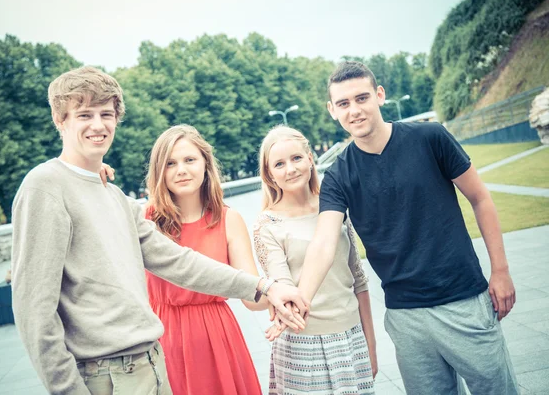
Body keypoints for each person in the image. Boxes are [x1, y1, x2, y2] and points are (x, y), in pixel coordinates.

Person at [10, 66, 307, 395]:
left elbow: (179, 262)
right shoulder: (45, 187)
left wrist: (266, 287)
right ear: (60, 120)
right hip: (104, 374)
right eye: (84, 114)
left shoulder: (116, 198)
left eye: (106, 113)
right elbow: (34, 310)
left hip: (150, 366)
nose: (98, 125)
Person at [297, 61, 518, 395]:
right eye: (343, 103)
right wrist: (300, 299)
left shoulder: (431, 138)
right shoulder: (338, 176)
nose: (354, 110)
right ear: (332, 110)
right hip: (405, 317)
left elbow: (480, 198)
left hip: (464, 301)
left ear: (379, 95)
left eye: (361, 98)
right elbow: (324, 243)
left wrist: (500, 271)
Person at [142, 124, 264, 395]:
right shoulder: (146, 220)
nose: (181, 170)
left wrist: (282, 282)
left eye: (189, 160)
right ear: (159, 171)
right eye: (170, 163)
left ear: (206, 165)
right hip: (162, 337)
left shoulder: (228, 218)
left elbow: (253, 298)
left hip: (217, 338)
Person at [254, 126, 376, 394]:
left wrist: (371, 345)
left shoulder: (334, 208)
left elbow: (359, 279)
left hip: (351, 337)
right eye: (279, 164)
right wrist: (287, 313)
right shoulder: (268, 224)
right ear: (269, 174)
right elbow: (284, 288)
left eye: (296, 158)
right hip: (302, 345)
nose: (290, 169)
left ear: (310, 158)